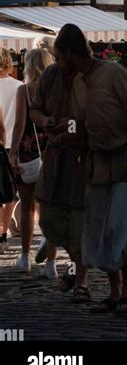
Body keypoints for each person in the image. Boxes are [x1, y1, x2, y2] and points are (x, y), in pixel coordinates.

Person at [48, 25, 127, 315]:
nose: (58, 64)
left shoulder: (114, 73)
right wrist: (62, 136)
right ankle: (112, 291)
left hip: (123, 161)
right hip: (95, 166)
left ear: (71, 53)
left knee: (122, 228)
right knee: (102, 231)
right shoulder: (78, 83)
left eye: (59, 57)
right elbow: (81, 125)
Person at [30, 34, 90, 301]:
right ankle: (76, 269)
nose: (58, 60)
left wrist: (72, 126)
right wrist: (46, 121)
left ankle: (82, 282)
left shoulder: (89, 75)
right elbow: (35, 110)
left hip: (82, 158)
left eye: (61, 55)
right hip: (55, 158)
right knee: (49, 219)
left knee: (79, 222)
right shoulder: (51, 75)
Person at [9, 48, 59, 277]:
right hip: (54, 152)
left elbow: (19, 124)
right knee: (51, 207)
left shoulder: (25, 90)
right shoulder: (56, 89)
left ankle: (25, 257)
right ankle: (51, 264)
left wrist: (13, 152)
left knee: (28, 207)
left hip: (29, 153)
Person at [0, 50, 22, 253]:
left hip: (2, 142)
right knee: (10, 194)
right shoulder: (19, 87)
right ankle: (3, 233)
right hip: (14, 145)